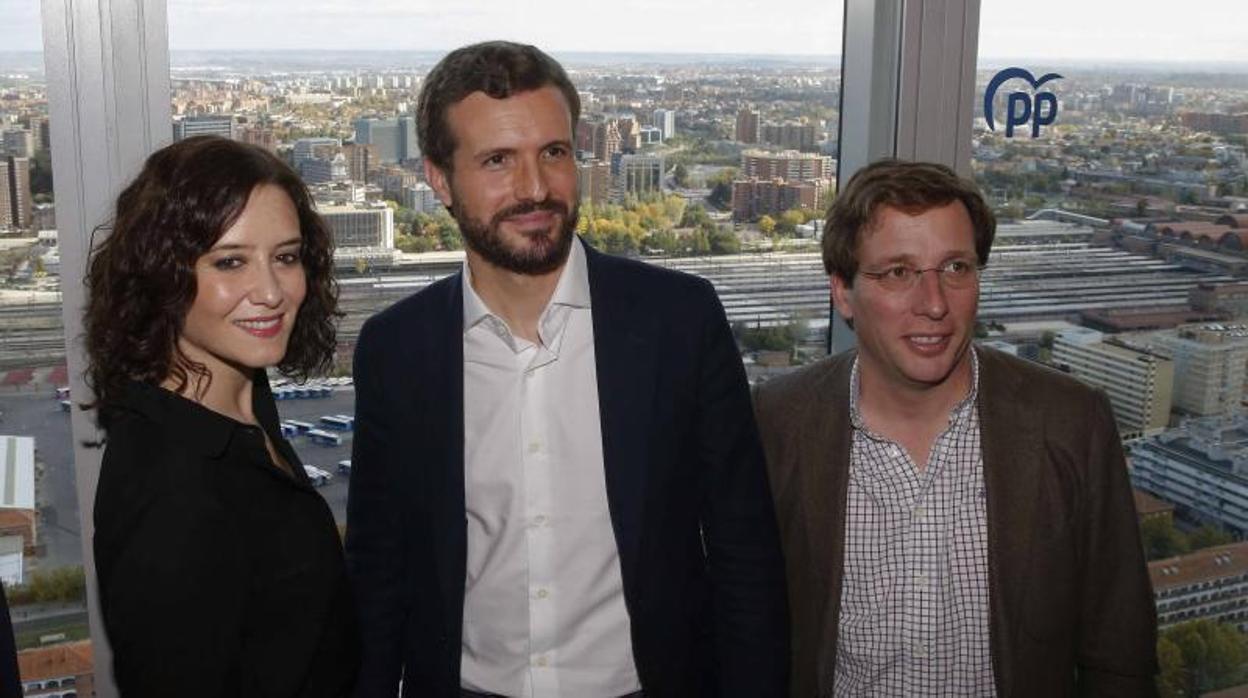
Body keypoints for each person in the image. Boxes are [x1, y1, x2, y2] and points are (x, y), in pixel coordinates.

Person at [346, 41, 788, 697]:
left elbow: (743, 552)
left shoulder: (678, 322)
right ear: (438, 180)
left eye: (552, 153)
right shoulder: (396, 350)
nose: (534, 188)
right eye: (498, 160)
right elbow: (378, 575)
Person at [753, 159, 1158, 697]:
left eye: (956, 268)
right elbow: (743, 629)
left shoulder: (1071, 422)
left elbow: (1119, 655)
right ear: (844, 293)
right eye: (898, 272)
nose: (935, 304)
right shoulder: (777, 423)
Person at [85, 136, 358, 696]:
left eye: (285, 257)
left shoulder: (243, 398)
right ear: (163, 274)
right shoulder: (172, 494)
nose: (271, 291)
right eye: (230, 261)